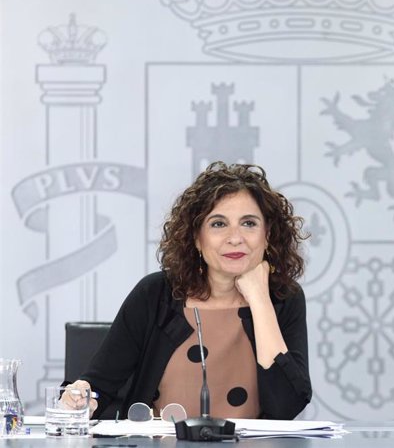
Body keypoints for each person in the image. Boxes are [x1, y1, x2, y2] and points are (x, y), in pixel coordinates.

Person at [63, 162, 311, 420]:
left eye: (249, 223)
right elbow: (98, 387)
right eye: (218, 224)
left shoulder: (284, 298)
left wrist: (260, 300)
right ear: (196, 238)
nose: (235, 237)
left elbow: (287, 407)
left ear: (267, 235)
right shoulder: (155, 294)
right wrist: (81, 397)